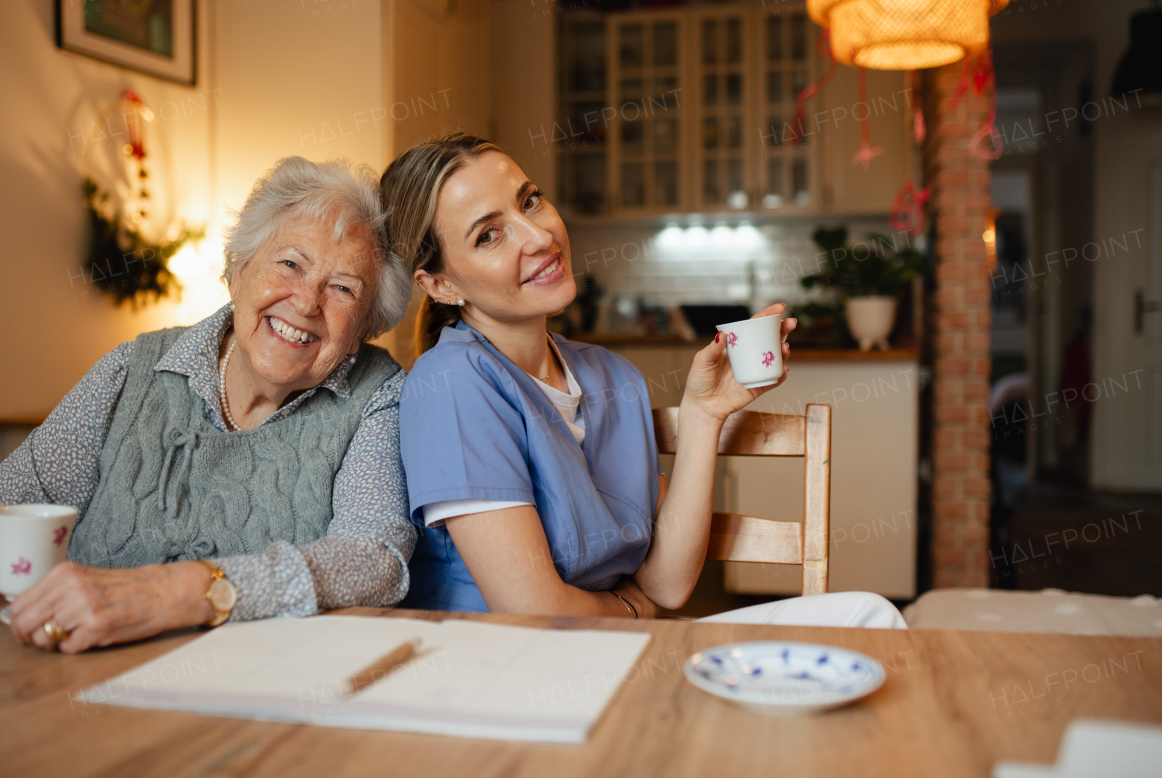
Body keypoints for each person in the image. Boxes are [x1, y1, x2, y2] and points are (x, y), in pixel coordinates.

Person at [0, 156, 418, 652]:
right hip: (75, 678)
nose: (306, 302)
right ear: (236, 270)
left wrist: (185, 591)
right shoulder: (130, 373)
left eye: (343, 289)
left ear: (364, 329)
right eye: (289, 263)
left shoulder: (377, 398)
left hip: (260, 703)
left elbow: (375, 558)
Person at [381, 133, 905, 629]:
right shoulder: (451, 383)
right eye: (489, 234)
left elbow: (669, 585)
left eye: (531, 201)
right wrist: (633, 613)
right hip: (510, 670)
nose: (540, 236)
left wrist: (705, 415)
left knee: (868, 615)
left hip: (615, 649)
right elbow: (533, 610)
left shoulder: (612, 376)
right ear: (441, 283)